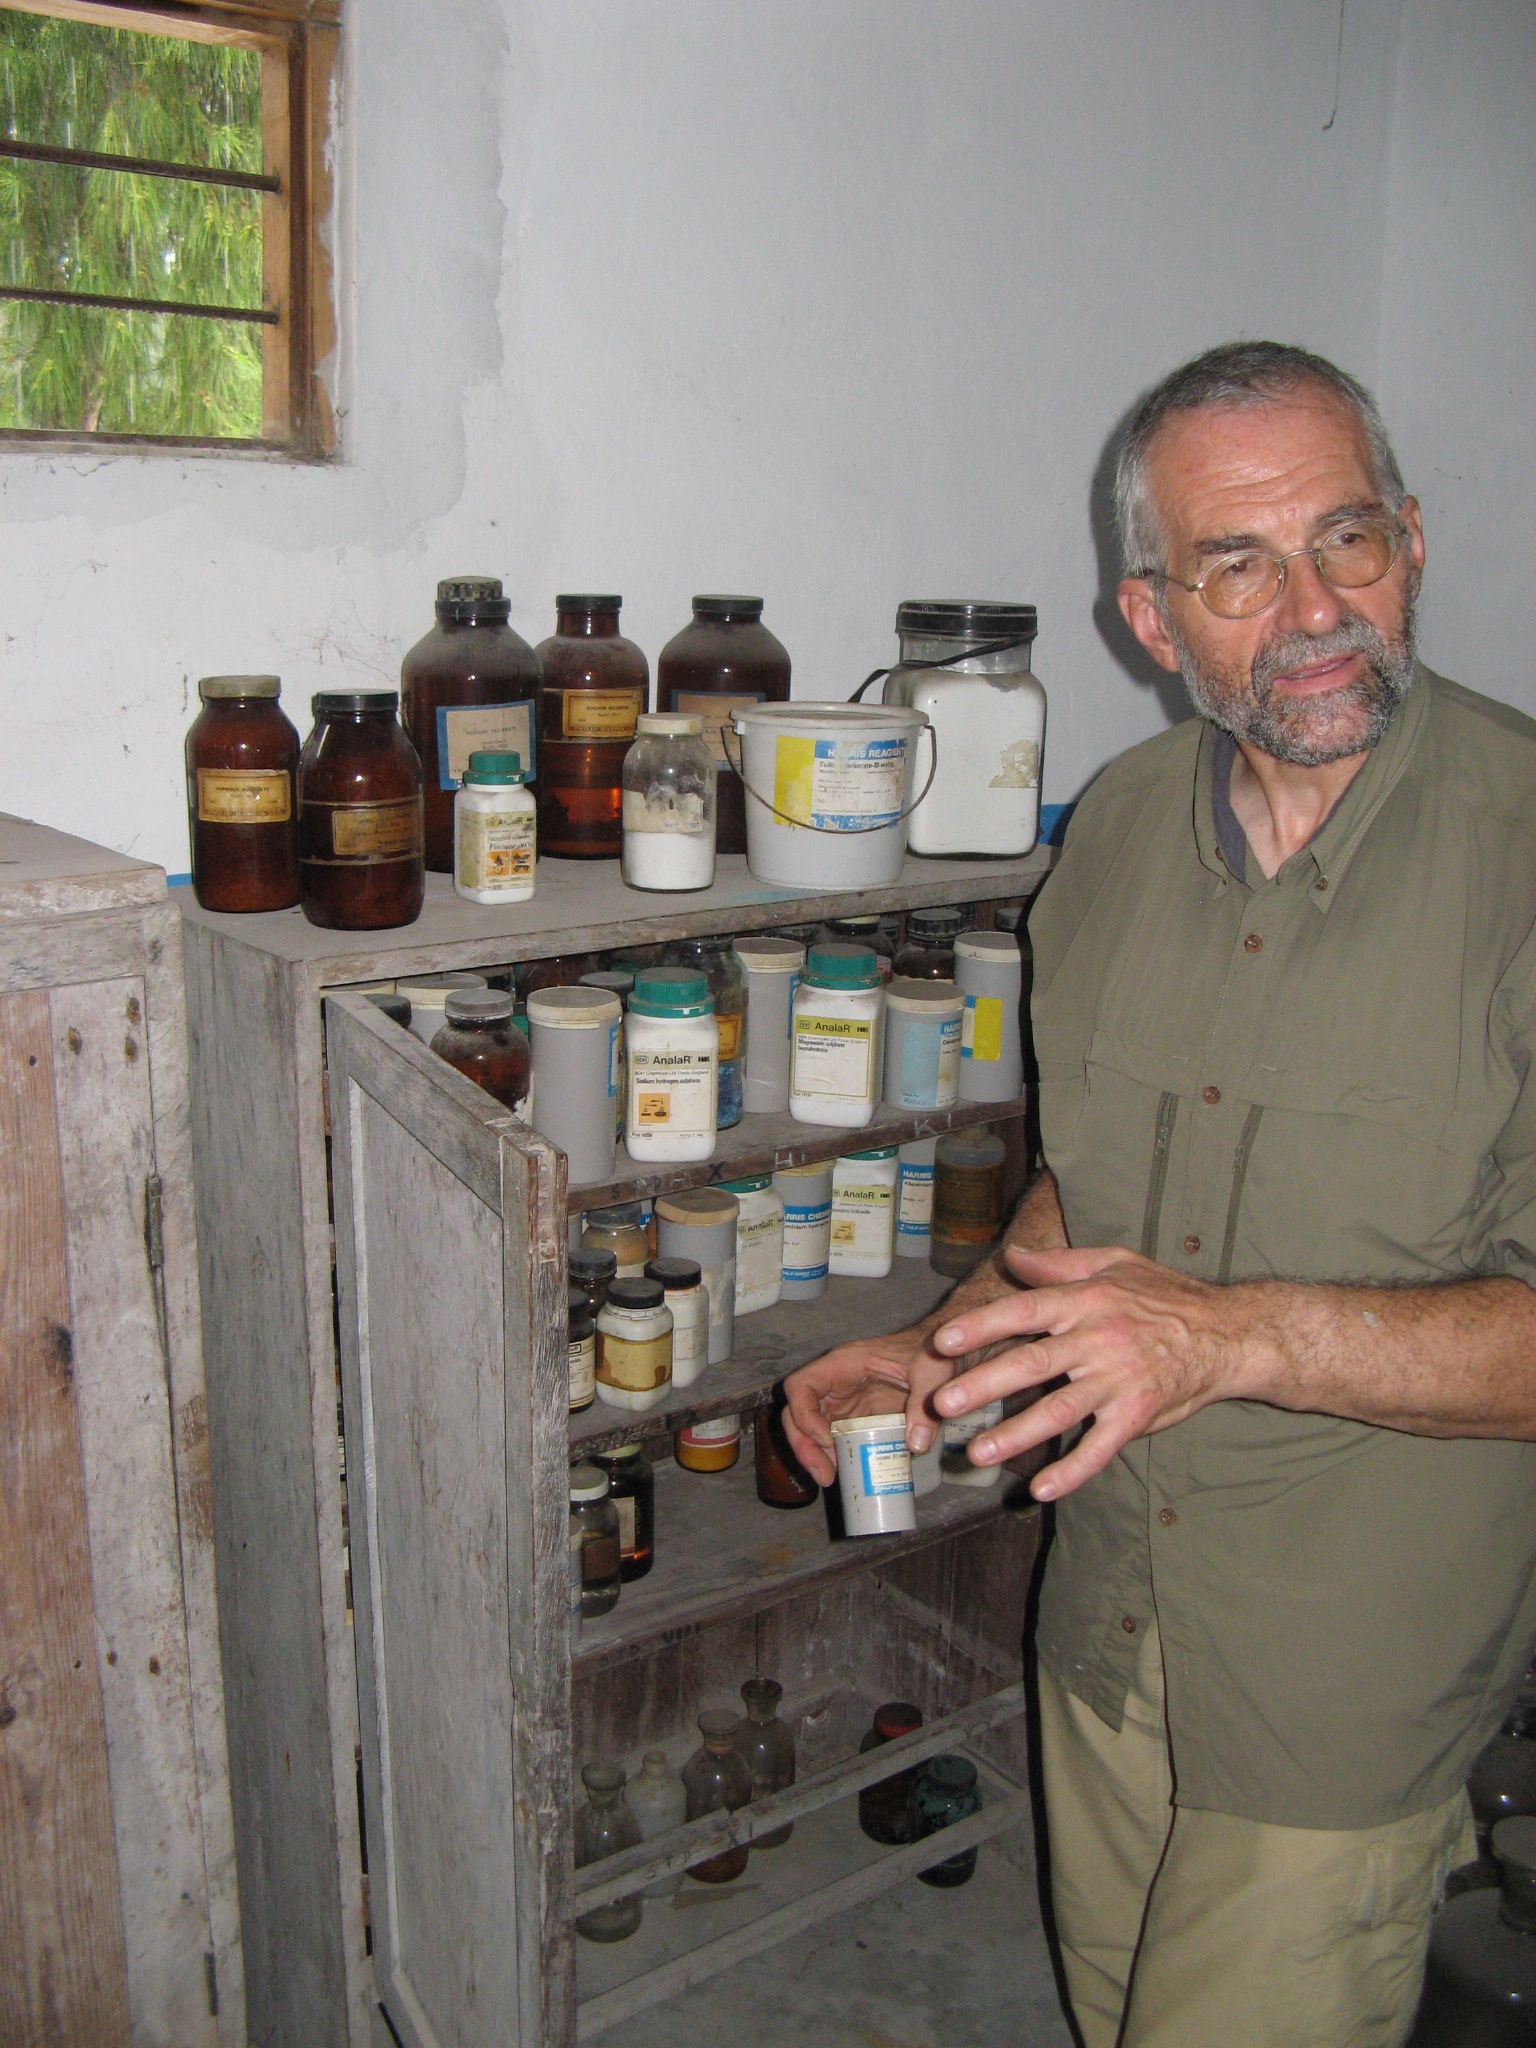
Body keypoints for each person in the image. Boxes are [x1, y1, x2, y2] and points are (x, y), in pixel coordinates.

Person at [784, 340, 1536, 2048]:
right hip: (1107, 1626)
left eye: (1349, 542)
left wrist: (1234, 1341)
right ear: (1151, 617)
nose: (1316, 611)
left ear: (1412, 542)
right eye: (1239, 568)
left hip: (1342, 1680)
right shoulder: (1111, 834)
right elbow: (1085, 1184)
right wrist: (944, 1349)